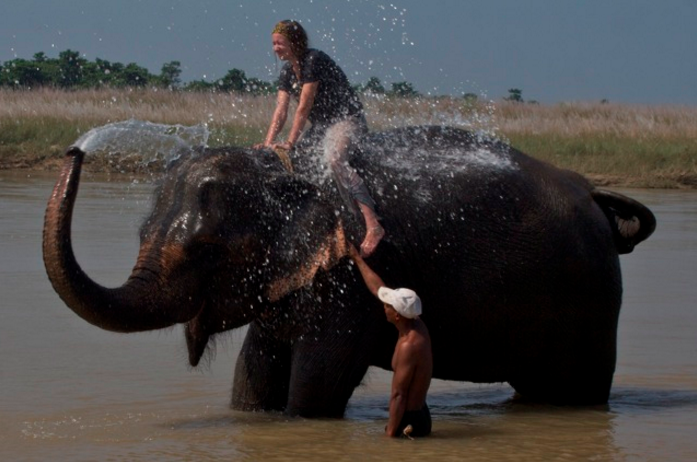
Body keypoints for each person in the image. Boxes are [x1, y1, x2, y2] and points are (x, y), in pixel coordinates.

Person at [256, 19, 384, 257]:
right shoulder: (286, 71)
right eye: (273, 43)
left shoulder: (313, 60)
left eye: (279, 43)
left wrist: (290, 142)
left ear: (295, 42)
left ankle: (372, 223)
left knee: (335, 158)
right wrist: (267, 143)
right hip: (322, 126)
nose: (275, 49)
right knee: (295, 162)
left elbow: (303, 108)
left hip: (346, 120)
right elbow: (281, 110)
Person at [348, 245, 433, 438]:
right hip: (420, 413)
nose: (383, 306)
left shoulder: (408, 346)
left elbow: (398, 395)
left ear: (396, 315)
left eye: (387, 305)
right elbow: (378, 288)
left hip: (410, 421)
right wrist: (357, 258)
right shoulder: (414, 323)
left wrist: (390, 438)